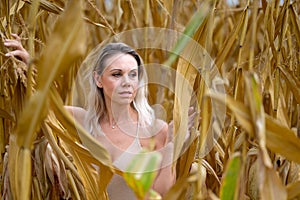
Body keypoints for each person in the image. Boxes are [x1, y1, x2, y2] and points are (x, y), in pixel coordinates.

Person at [4, 34, 196, 199]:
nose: (127, 83)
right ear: (98, 79)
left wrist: (172, 144)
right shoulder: (80, 120)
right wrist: (30, 66)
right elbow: (44, 106)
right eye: (116, 74)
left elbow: (162, 194)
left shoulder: (156, 130)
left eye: (133, 75)